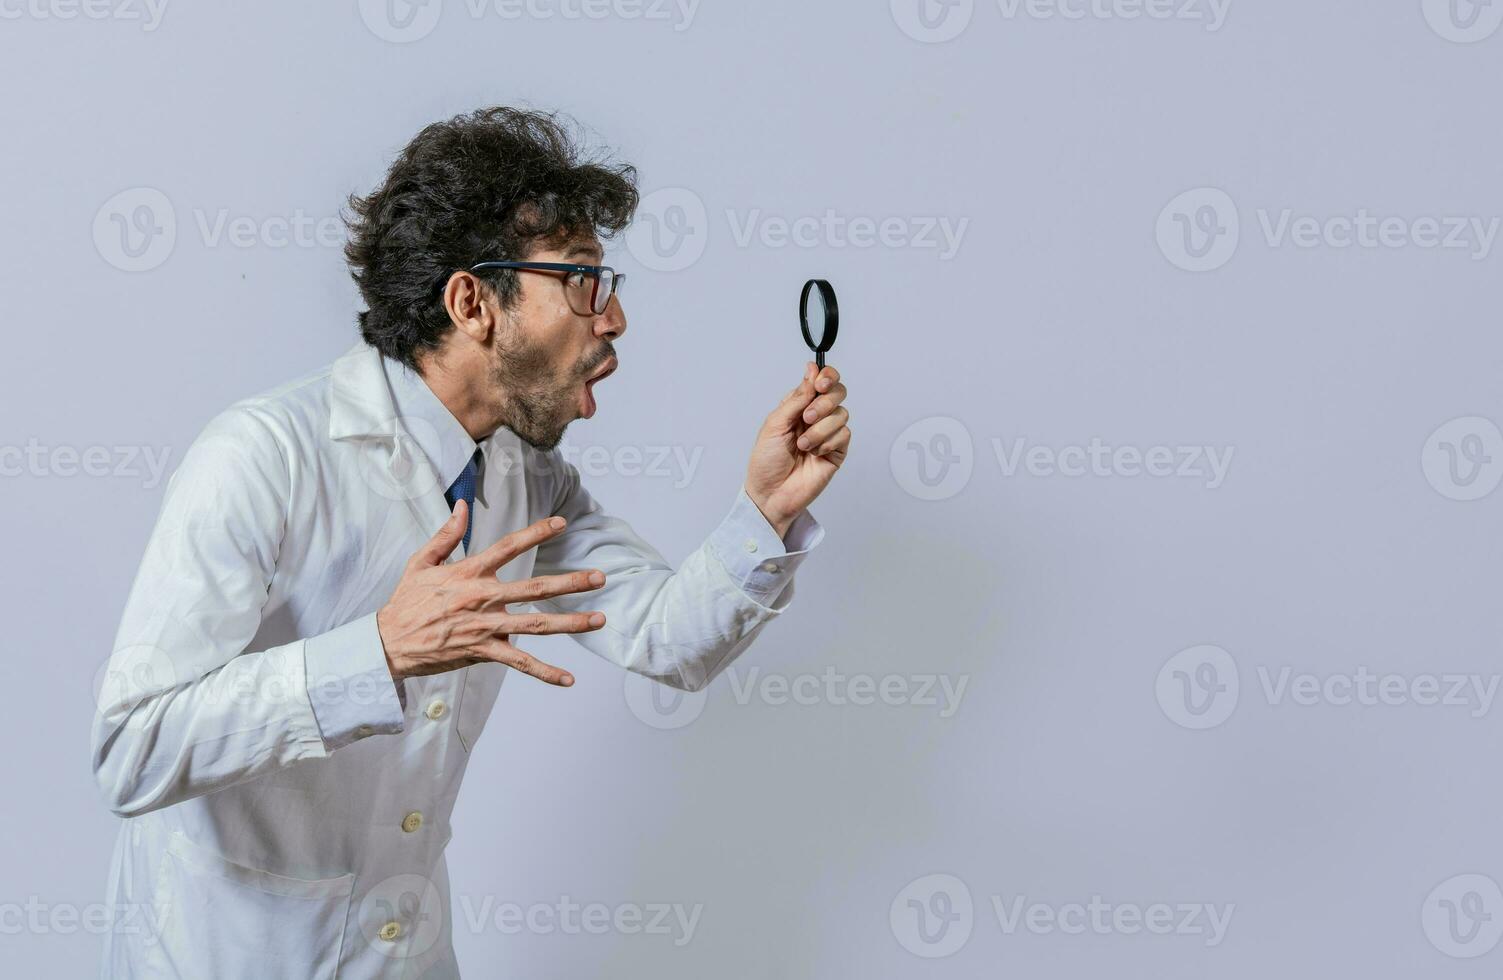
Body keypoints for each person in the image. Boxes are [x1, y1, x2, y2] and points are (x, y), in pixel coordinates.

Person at [90, 106, 851, 978]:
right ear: (471, 302)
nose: (613, 321)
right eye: (580, 283)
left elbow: (666, 638)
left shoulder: (526, 476)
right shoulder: (264, 456)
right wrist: (377, 650)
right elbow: (131, 747)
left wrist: (764, 509)